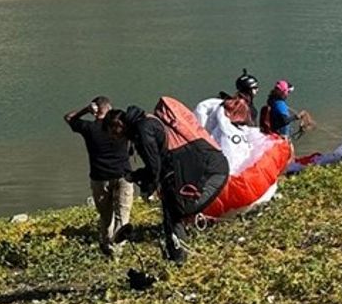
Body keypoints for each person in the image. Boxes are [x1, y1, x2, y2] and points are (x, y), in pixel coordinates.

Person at [121, 98, 230, 264]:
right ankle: (177, 257)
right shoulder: (152, 123)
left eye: (114, 130)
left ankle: (179, 259)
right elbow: (158, 165)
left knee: (176, 212)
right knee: (173, 212)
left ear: (123, 125)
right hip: (213, 167)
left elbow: (154, 166)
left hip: (212, 171)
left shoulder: (144, 130)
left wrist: (146, 186)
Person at [64, 96, 133, 257]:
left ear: (95, 110)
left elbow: (68, 118)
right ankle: (118, 248)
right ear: (110, 108)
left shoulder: (89, 128)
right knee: (123, 213)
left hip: (100, 177)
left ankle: (107, 244)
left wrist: (85, 110)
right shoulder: (123, 125)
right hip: (124, 175)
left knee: (105, 215)